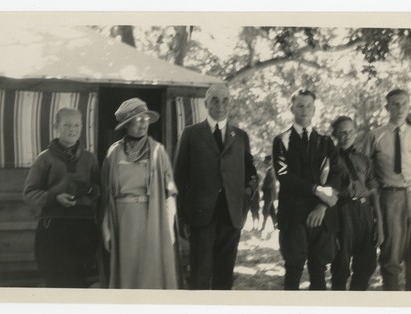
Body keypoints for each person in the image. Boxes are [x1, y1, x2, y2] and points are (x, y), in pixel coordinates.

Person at [174, 84, 258, 290]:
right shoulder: (191, 134)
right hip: (201, 215)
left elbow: (252, 175)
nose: (220, 105)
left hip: (231, 215)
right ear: (205, 104)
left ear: (230, 103)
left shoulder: (240, 136)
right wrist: (183, 216)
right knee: (200, 275)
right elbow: (179, 178)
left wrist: (244, 202)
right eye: (215, 100)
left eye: (225, 100)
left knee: (225, 275)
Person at [100, 98, 178, 289]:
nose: (144, 123)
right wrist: (106, 226)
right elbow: (106, 194)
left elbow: (170, 192)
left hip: (150, 218)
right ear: (126, 124)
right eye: (138, 119)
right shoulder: (114, 152)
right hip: (122, 219)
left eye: (146, 118)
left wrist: (169, 224)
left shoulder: (158, 151)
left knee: (150, 271)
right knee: (126, 272)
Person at [23, 108, 100, 288]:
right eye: (66, 125)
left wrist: (89, 190)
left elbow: (99, 191)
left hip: (84, 229)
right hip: (53, 229)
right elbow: (29, 193)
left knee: (80, 280)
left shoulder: (89, 159)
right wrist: (54, 197)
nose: (72, 129)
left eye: (76, 125)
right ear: (56, 126)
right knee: (55, 279)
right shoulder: (44, 159)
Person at [272, 89, 340, 290]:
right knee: (293, 268)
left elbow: (336, 176)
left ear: (315, 108)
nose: (304, 110)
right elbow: (283, 175)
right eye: (300, 105)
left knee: (319, 268)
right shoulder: (281, 140)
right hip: (293, 213)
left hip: (321, 213)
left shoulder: (326, 142)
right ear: (291, 108)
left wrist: (321, 205)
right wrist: (315, 189)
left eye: (309, 105)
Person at [361, 89, 411, 291]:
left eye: (404, 104)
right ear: (387, 107)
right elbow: (360, 167)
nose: (400, 108)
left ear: (409, 106)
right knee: (391, 257)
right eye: (395, 104)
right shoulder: (375, 136)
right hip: (390, 197)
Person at [330, 116, 384, 290]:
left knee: (366, 265)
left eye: (351, 131)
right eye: (342, 132)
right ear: (335, 135)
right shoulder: (329, 159)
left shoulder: (363, 159)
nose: (347, 135)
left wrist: (379, 225)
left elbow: (373, 191)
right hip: (342, 212)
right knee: (340, 266)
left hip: (364, 212)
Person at [261, 155, 278, 231]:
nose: (265, 164)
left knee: (265, 211)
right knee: (272, 212)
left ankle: (263, 228)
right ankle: (276, 226)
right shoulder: (271, 171)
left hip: (269, 196)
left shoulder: (270, 172)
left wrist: (262, 187)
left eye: (266, 163)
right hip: (270, 196)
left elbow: (267, 185)